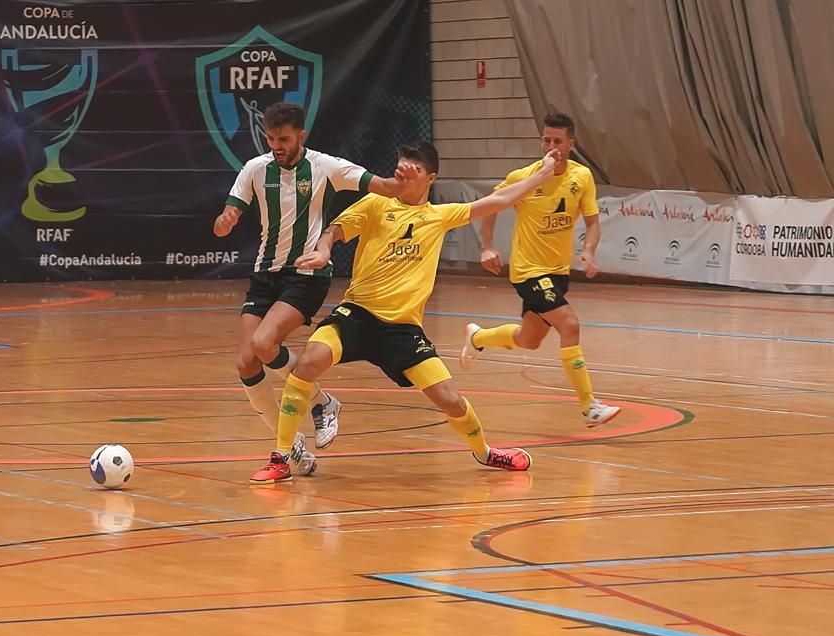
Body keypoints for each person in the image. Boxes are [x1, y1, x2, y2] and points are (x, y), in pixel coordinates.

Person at [248, 140, 558, 484]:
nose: (406, 174)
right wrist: (323, 251)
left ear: (430, 178)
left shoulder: (439, 216)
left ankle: (485, 452)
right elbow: (335, 230)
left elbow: (499, 200)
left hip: (403, 330)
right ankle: (281, 457)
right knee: (308, 362)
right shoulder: (377, 203)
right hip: (358, 313)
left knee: (451, 401)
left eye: (416, 169)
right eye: (403, 166)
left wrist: (543, 173)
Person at [214, 102, 418, 466]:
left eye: (284, 138)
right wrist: (225, 221)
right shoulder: (255, 169)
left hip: (306, 275)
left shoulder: (326, 166)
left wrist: (402, 180)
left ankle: (320, 401)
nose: (276, 145)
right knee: (246, 362)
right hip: (265, 275)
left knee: (264, 343)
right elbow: (221, 221)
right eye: (271, 138)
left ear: (301, 135)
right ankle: (291, 439)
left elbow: (384, 186)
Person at [460, 112, 620, 428]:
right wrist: (487, 246)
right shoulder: (524, 177)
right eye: (545, 140)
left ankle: (479, 337)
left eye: (557, 141)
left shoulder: (581, 177)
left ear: (570, 145)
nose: (550, 146)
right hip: (529, 270)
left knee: (529, 339)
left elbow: (591, 221)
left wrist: (588, 250)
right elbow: (490, 205)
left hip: (557, 273)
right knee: (570, 325)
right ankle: (590, 407)